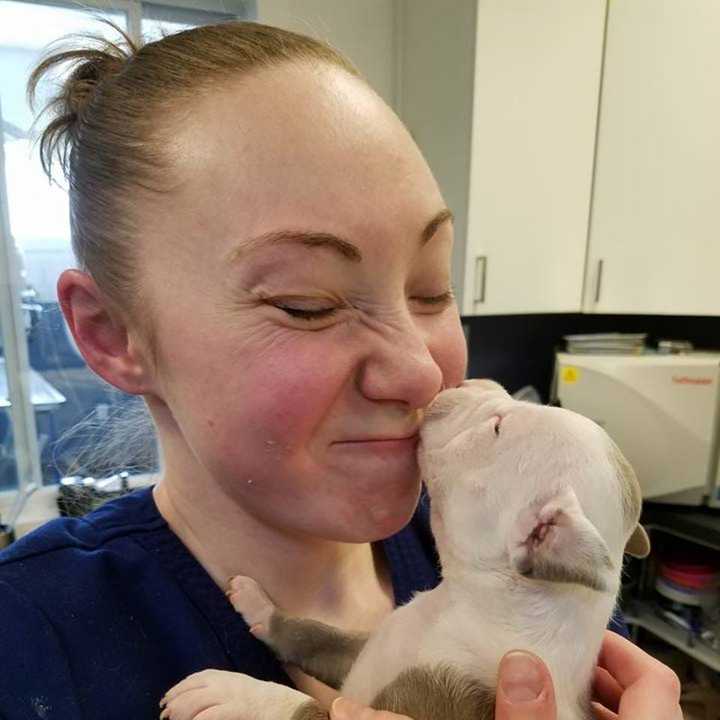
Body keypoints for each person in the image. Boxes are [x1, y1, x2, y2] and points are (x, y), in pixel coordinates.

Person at [0, 19, 682, 720]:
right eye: (308, 304)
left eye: (431, 288)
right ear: (111, 333)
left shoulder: (530, 578)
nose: (422, 372)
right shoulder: (26, 645)